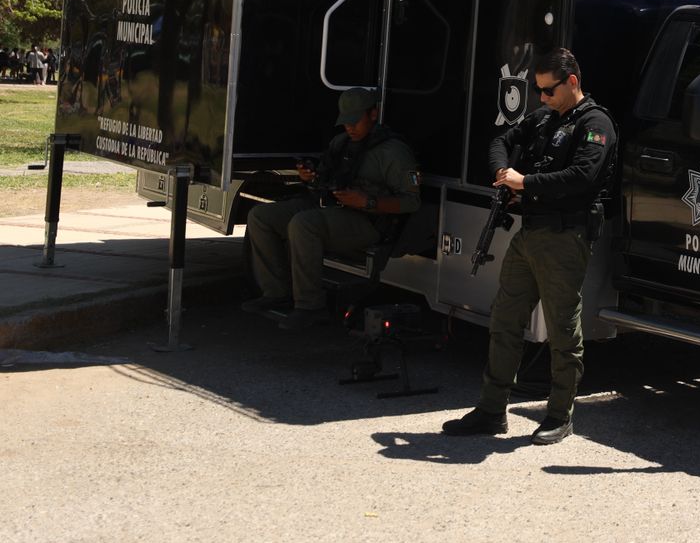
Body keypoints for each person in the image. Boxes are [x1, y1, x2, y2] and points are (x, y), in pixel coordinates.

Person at [444, 48, 617, 445]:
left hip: (565, 237)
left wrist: (525, 183)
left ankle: (559, 415)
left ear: (572, 81)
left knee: (562, 330)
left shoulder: (595, 123)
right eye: (538, 90)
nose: (541, 97)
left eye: (548, 90)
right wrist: (502, 173)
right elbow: (501, 140)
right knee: (505, 320)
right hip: (530, 234)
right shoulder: (544, 118)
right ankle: (491, 409)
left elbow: (582, 175)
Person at [242, 88, 420, 330]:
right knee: (260, 217)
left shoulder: (394, 152)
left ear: (373, 114)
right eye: (346, 122)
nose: (350, 127)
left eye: (355, 121)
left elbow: (411, 201)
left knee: (303, 225)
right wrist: (309, 176)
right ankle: (277, 292)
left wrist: (367, 201)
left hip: (367, 220)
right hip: (331, 205)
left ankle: (311, 306)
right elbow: (324, 178)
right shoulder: (341, 143)